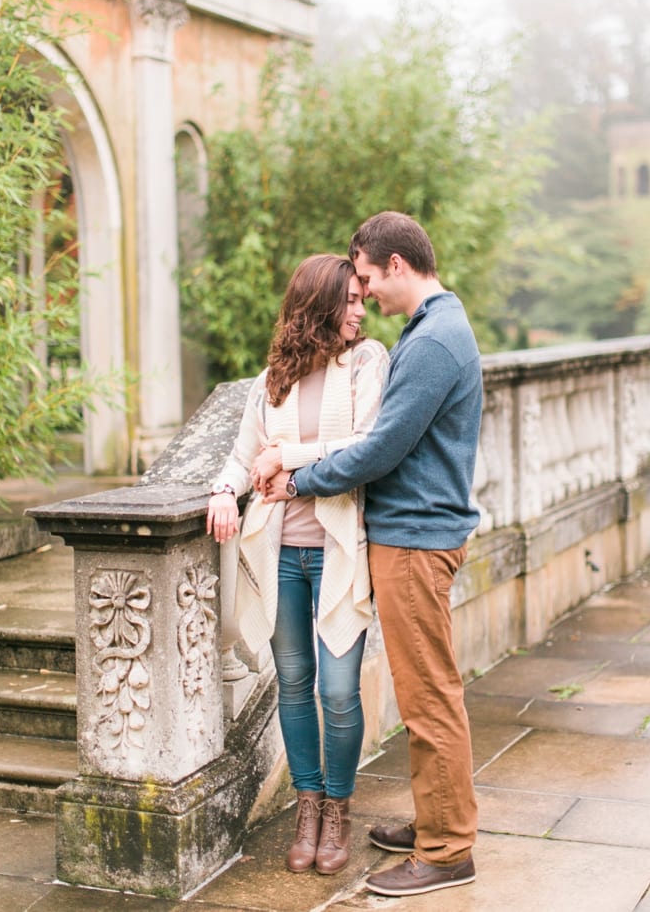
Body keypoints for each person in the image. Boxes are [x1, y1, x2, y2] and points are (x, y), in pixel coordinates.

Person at [260, 212, 482, 898]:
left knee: (427, 699)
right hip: (409, 536)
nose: (365, 295)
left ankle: (446, 850)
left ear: (393, 264)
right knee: (426, 692)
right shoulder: (433, 329)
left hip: (416, 540)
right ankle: (435, 821)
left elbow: (381, 448)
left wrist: (298, 478)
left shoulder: (434, 340)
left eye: (365, 278)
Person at [207, 254, 389, 876]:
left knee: (337, 691)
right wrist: (219, 493)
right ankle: (307, 804)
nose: (361, 311)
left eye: (365, 299)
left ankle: (339, 807)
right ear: (318, 304)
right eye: (350, 300)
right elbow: (242, 457)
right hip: (279, 553)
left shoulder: (368, 362)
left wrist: (289, 454)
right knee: (291, 684)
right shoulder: (272, 379)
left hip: (340, 551)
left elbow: (368, 445)